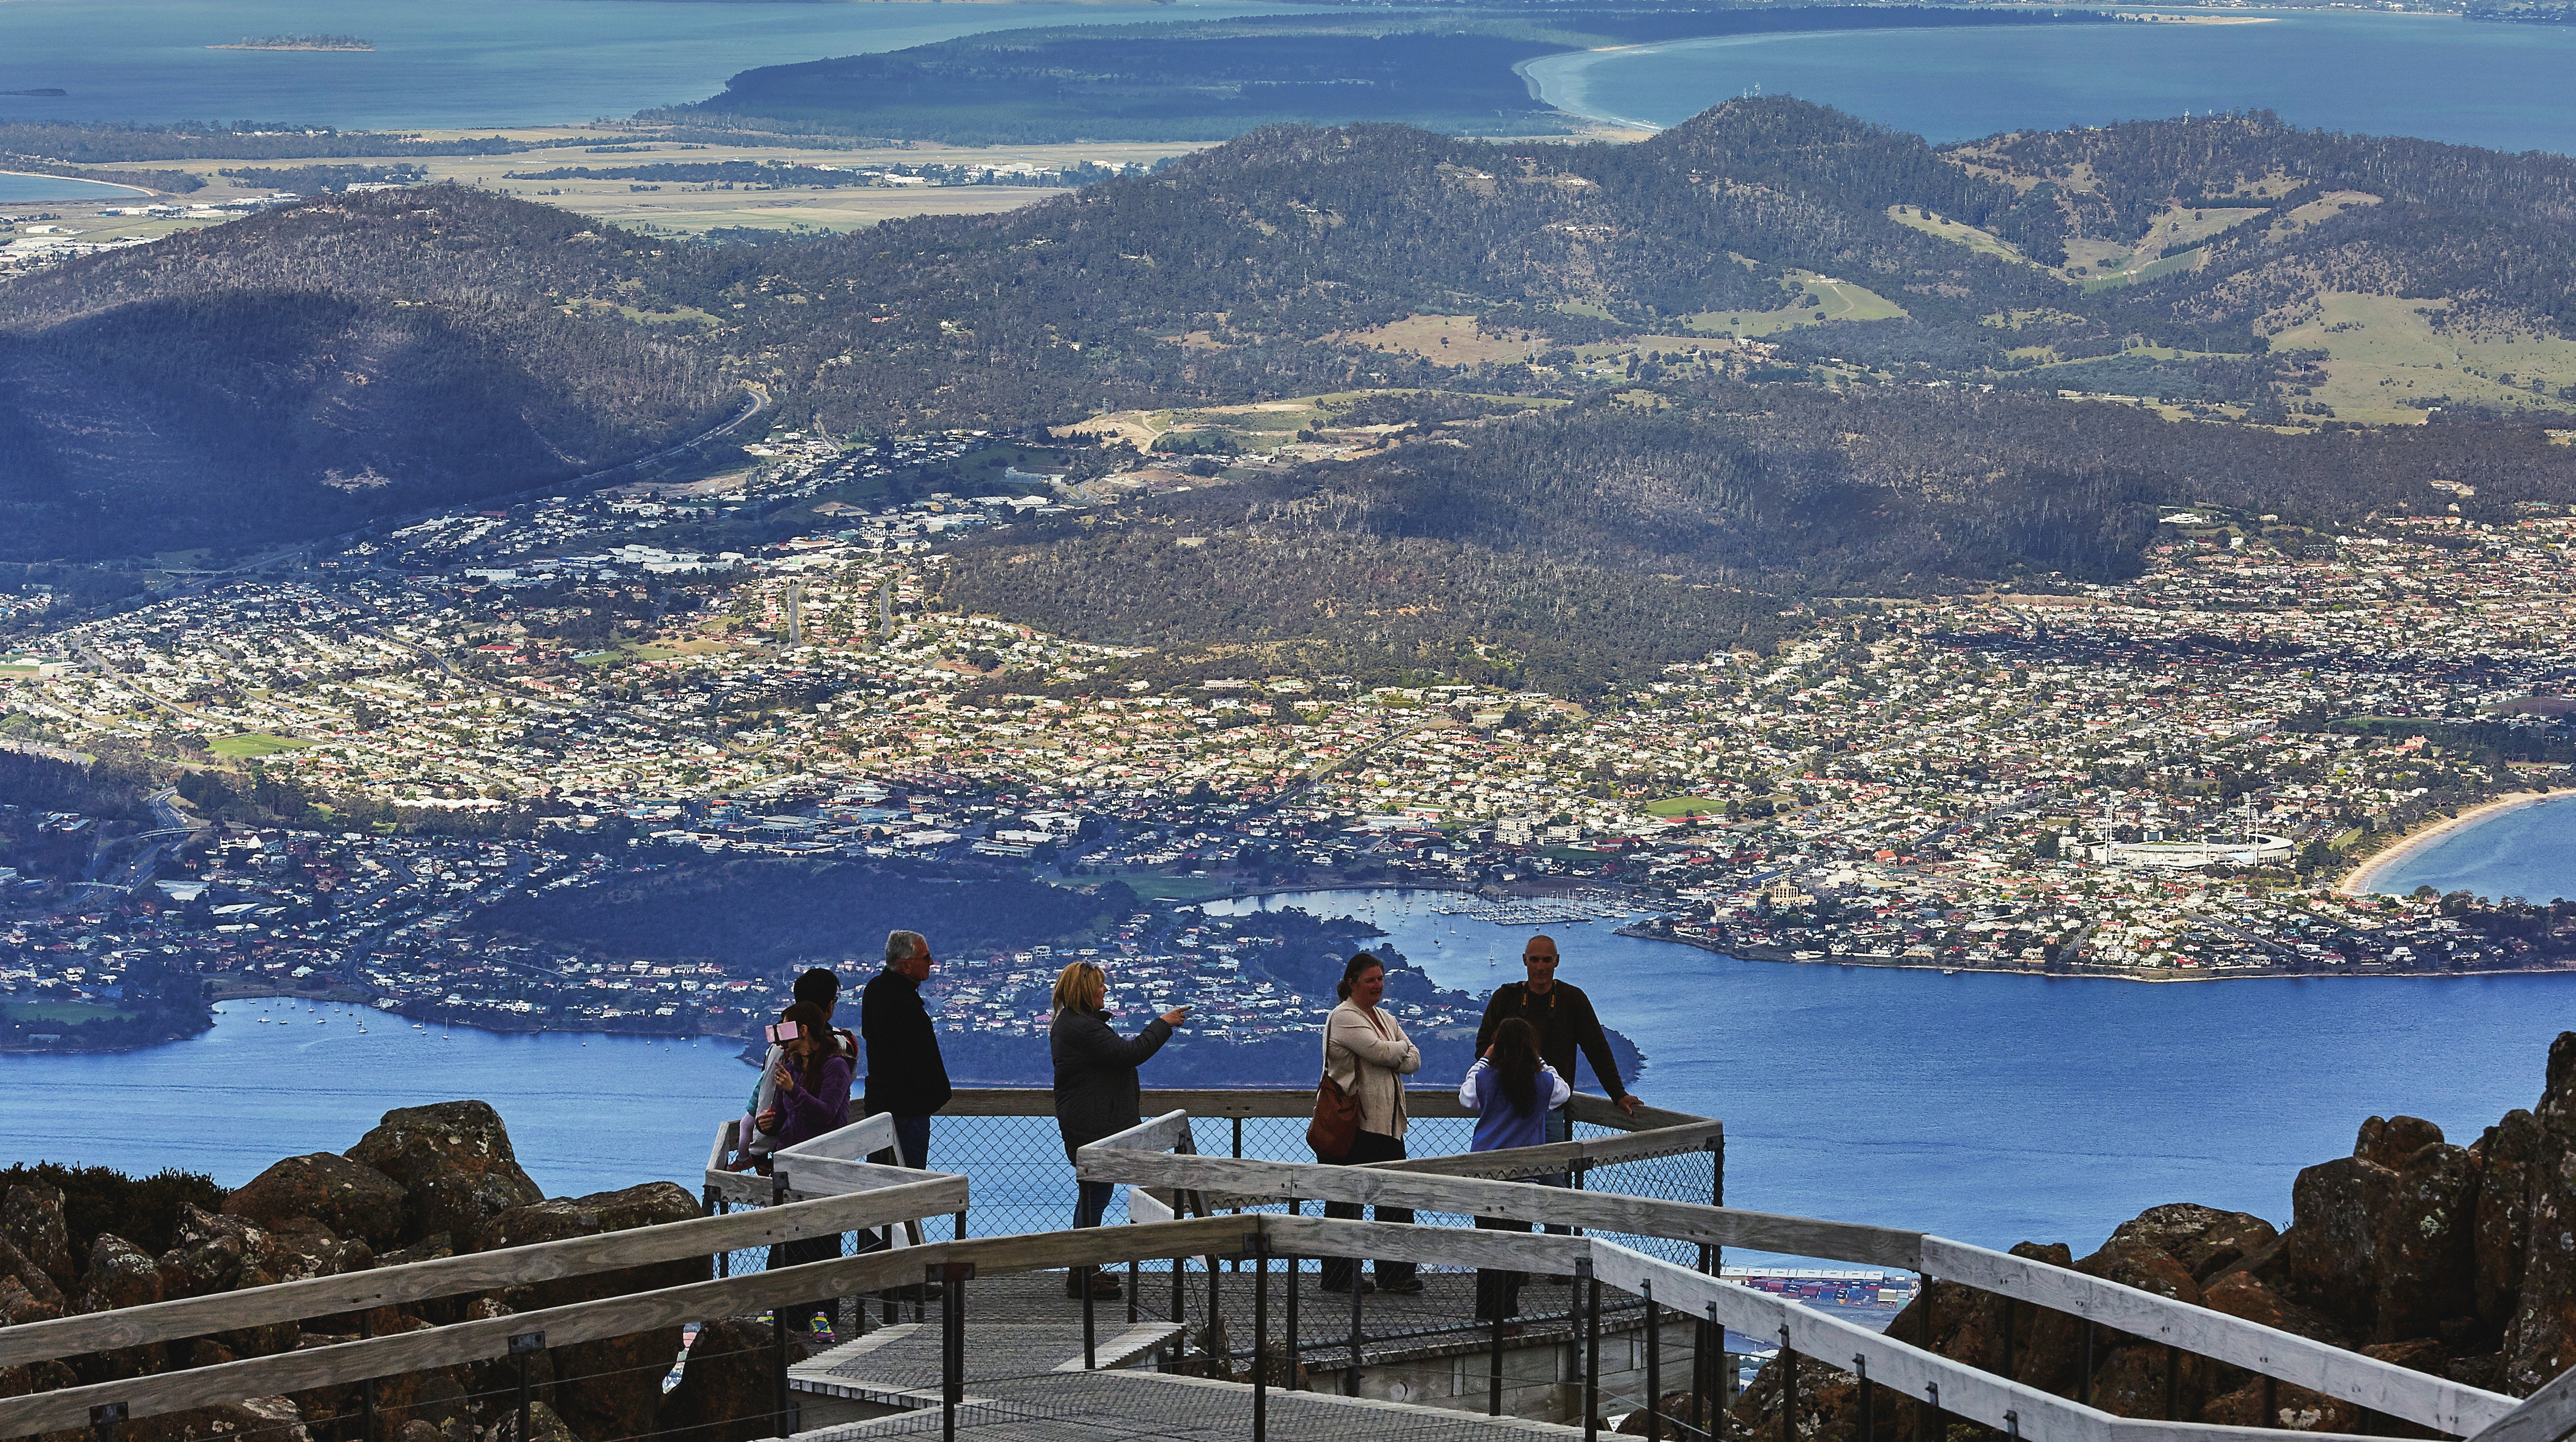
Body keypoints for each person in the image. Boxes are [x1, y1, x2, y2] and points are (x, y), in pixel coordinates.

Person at [1476, 934, 1638, 1248]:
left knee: (1554, 1182)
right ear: (1524, 961)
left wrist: (1618, 1094)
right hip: (1509, 1108)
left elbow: (1597, 1048)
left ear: (1557, 961)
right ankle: (1513, 1257)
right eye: (1534, 960)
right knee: (1509, 1182)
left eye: (1546, 960)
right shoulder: (1505, 998)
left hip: (1551, 1107)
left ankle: (1558, 1258)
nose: (1540, 967)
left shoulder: (1572, 1000)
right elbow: (1484, 1047)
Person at [1049, 960, 1190, 1298]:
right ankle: (1083, 1271)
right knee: (1094, 1196)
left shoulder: (1072, 1025)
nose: (1105, 990)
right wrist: (1163, 1024)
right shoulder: (1083, 1029)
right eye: (1100, 985)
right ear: (1086, 989)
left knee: (1094, 1195)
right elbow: (1130, 1053)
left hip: (1090, 1122)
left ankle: (1085, 1268)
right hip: (1094, 1126)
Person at [1318, 952, 1423, 1295]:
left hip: (1387, 1124)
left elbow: (1413, 1062)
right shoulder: (1344, 1017)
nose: (1377, 985)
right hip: (1354, 1124)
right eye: (1370, 980)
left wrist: (1394, 1049)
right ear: (1352, 983)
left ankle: (1395, 1274)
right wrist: (1398, 1047)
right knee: (1345, 1203)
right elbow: (1385, 1054)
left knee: (1394, 1201)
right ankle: (1339, 1276)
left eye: (1380, 979)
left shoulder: (1381, 1016)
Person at [1457, 1016, 1569, 1322]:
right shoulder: (1542, 1083)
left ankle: (1485, 1313)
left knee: (1488, 1246)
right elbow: (1564, 1093)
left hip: (1485, 1173)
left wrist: (1484, 1060)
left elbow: (1466, 1099)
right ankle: (1508, 1315)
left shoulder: (1487, 1079)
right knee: (1516, 1249)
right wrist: (1541, 1062)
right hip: (1525, 1176)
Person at [761, 1000, 854, 1341]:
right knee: (785, 1240)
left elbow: (826, 1114)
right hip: (789, 1165)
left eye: (786, 1029)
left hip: (822, 1167)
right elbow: (787, 1117)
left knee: (822, 1242)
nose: (781, 1039)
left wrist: (793, 1090)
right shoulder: (791, 1065)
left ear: (803, 1030)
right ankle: (781, 1310)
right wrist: (769, 1123)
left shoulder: (835, 1068)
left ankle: (821, 1313)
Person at [860, 930, 951, 1173]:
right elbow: (920, 1061)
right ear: (906, 966)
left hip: (879, 1106)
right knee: (907, 1184)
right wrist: (937, 1096)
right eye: (925, 957)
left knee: (879, 1183)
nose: (931, 962)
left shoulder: (874, 991)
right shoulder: (907, 1007)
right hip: (908, 1112)